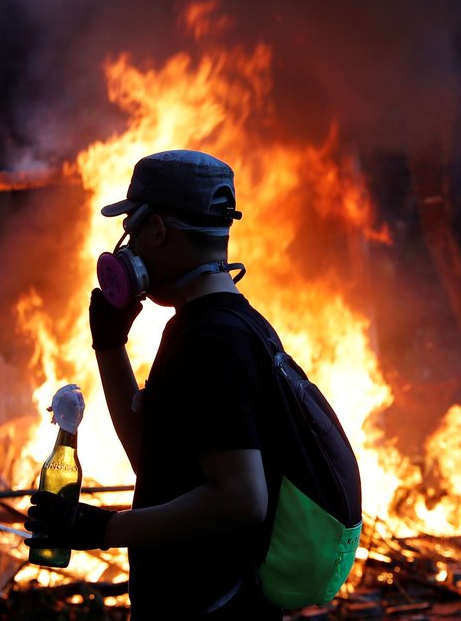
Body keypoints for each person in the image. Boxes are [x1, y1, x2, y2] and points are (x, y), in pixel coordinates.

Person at [25, 150, 284, 619]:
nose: (128, 247)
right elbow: (155, 460)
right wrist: (109, 345)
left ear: (159, 229)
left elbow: (242, 498)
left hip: (209, 608)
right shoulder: (228, 325)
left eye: (133, 229)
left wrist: (105, 529)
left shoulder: (210, 343)